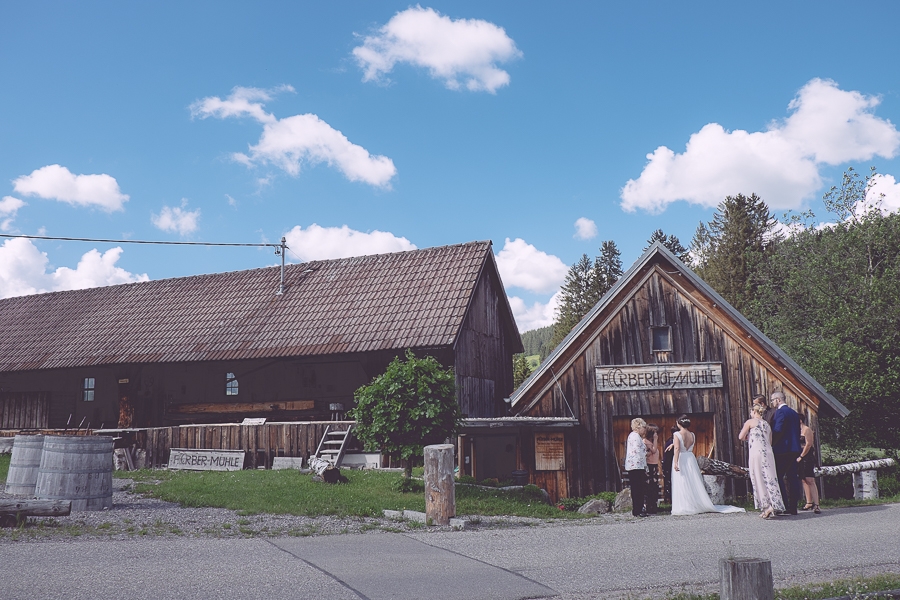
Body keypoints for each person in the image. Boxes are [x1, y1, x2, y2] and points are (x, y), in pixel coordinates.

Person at [671, 414, 745, 516]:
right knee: (692, 481)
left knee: (682, 481)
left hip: (682, 458)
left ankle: (684, 505)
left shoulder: (677, 434)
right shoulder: (692, 434)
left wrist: (675, 462)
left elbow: (677, 448)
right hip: (690, 458)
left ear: (678, 423)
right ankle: (694, 503)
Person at [739, 403, 785, 519]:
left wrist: (748, 437)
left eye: (751, 412)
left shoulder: (750, 422)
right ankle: (773, 503)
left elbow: (741, 436)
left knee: (758, 477)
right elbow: (769, 441)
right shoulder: (767, 424)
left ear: (754, 412)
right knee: (770, 478)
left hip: (756, 452)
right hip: (768, 453)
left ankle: (766, 505)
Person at [770, 390, 802, 515]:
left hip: (783, 449)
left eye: (772, 400)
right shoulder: (794, 413)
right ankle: (793, 507)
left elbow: (778, 430)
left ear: (778, 400)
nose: (772, 403)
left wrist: (772, 442)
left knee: (778, 476)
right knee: (793, 477)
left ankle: (784, 505)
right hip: (794, 449)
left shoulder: (780, 412)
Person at [625, 417, 649, 517]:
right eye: (643, 427)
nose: (644, 430)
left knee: (638, 488)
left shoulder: (634, 436)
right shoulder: (635, 436)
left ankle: (638, 509)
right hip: (636, 466)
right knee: (637, 489)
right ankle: (637, 510)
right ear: (638, 427)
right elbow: (637, 451)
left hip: (636, 465)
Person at [798, 414, 821, 514]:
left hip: (807, 457)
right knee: (803, 479)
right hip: (798, 456)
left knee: (810, 479)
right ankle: (808, 502)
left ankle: (816, 504)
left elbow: (808, 444)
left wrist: (802, 456)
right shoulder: (795, 430)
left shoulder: (807, 430)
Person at [643, 424, 660, 514]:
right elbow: (653, 450)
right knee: (648, 486)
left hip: (654, 465)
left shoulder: (652, 442)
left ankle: (653, 505)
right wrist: (656, 439)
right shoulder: (645, 442)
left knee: (654, 486)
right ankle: (647, 506)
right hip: (649, 466)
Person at [662, 425, 677, 503]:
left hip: (671, 463)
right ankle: (670, 499)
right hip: (670, 464)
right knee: (670, 482)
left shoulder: (672, 442)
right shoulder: (670, 442)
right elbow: (667, 456)